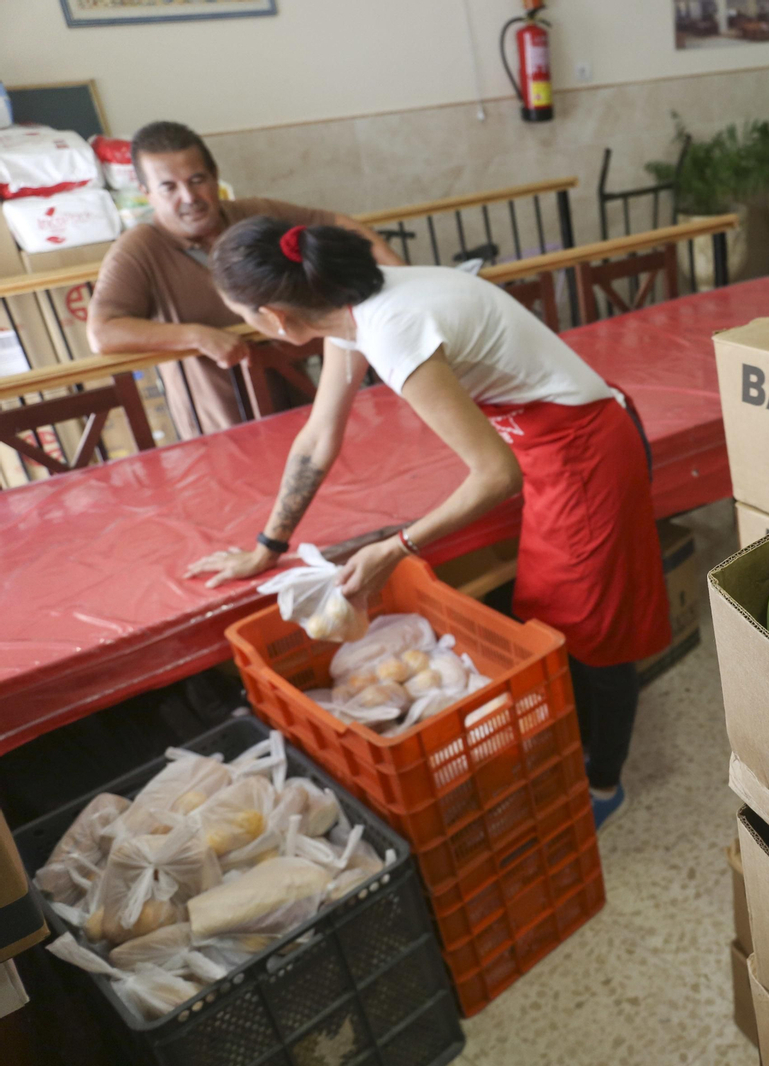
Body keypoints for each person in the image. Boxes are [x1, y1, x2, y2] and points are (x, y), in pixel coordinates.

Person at [186, 219, 670, 830]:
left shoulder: (391, 329)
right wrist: (267, 545)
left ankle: (603, 783)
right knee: (552, 617)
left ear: (275, 319)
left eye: (243, 318)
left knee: (596, 631)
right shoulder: (345, 308)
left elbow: (495, 476)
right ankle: (573, 749)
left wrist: (397, 548)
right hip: (542, 441)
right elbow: (318, 436)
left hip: (583, 447)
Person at [87, 121, 402, 440]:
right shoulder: (137, 249)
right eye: (169, 187)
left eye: (197, 180)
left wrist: (401, 280)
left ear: (215, 176)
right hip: (220, 426)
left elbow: (337, 223)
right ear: (147, 193)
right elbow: (102, 332)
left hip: (301, 400)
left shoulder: (255, 216)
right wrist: (195, 336)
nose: (189, 197)